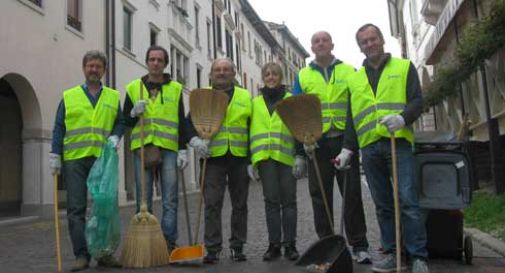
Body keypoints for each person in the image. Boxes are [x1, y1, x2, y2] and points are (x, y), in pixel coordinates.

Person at [334, 23, 428, 273]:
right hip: (369, 147)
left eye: (373, 39)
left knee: (408, 201)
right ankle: (392, 252)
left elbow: (418, 100)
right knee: (383, 204)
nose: (370, 44)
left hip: (398, 142)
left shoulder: (404, 67)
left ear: (382, 40)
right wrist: (347, 149)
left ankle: (418, 256)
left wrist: (403, 118)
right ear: (360, 47)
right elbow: (352, 118)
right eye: (364, 41)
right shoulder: (354, 79)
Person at [292, 31, 371, 263]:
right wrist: (303, 143)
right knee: (319, 196)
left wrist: (351, 145)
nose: (320, 43)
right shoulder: (303, 75)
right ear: (312, 47)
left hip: (344, 140)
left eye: (324, 40)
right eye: (316, 41)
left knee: (352, 193)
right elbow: (298, 110)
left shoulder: (349, 71)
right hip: (316, 143)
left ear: (332, 44)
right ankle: (326, 244)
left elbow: (358, 105)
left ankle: (359, 245)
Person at [49, 50, 123, 271]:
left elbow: (120, 121)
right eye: (90, 66)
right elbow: (59, 127)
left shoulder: (112, 96)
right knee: (76, 209)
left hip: (103, 159)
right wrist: (55, 154)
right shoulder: (69, 96)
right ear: (84, 68)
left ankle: (104, 253)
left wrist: (116, 135)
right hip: (75, 160)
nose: (94, 69)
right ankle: (81, 255)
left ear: (103, 70)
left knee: (105, 207)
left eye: (98, 66)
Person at [123, 45, 188, 254]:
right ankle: (146, 242)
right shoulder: (133, 87)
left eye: (160, 60)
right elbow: (125, 119)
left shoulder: (176, 88)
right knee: (143, 199)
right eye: (152, 59)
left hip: (168, 148)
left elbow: (180, 120)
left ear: (165, 63)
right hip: (143, 147)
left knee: (170, 198)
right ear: (147, 61)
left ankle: (169, 243)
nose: (156, 63)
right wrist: (133, 112)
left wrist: (183, 149)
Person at [187, 58, 251, 264]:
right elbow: (188, 124)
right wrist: (195, 141)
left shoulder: (245, 96)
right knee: (212, 203)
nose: (221, 73)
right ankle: (213, 248)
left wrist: (252, 159)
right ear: (211, 74)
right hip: (212, 157)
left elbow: (252, 127)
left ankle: (237, 246)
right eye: (217, 70)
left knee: (240, 204)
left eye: (226, 70)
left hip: (240, 157)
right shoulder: (203, 96)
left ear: (233, 74)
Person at [248, 62, 304, 261]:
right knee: (271, 202)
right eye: (267, 74)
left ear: (281, 77)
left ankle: (290, 244)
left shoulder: (291, 100)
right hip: (264, 159)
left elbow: (298, 128)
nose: (271, 77)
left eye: (275, 74)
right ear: (263, 77)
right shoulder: (254, 103)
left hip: (287, 157)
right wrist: (250, 161)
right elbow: (248, 131)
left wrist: (300, 155)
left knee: (289, 202)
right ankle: (274, 245)